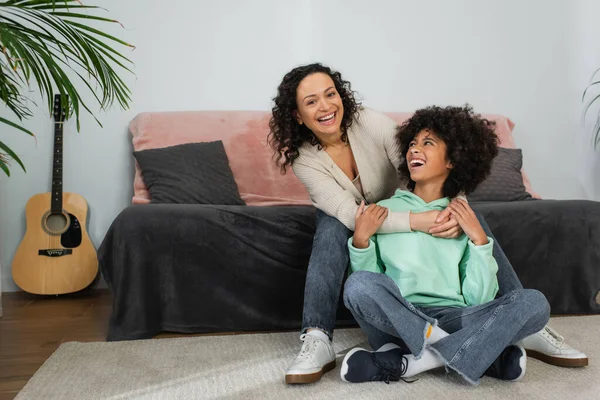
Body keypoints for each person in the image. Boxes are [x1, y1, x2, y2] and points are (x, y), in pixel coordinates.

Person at [267, 63, 588, 384]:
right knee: (331, 226)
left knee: (471, 219)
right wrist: (416, 222)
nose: (325, 106)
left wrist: (450, 207)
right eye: (311, 102)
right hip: (363, 218)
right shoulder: (304, 159)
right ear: (297, 115)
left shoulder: (370, 123)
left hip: (410, 200)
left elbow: (425, 166)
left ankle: (511, 331)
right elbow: (350, 215)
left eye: (330, 94)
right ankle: (317, 336)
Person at [341, 104, 549, 384]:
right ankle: (477, 353)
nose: (414, 149)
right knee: (358, 286)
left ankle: (413, 362)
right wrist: (361, 240)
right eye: (412, 144)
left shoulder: (462, 216)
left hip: (455, 316)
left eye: (428, 143)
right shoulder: (384, 210)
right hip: (397, 318)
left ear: (453, 160)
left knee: (534, 303)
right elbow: (369, 284)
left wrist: (479, 241)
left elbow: (480, 300)